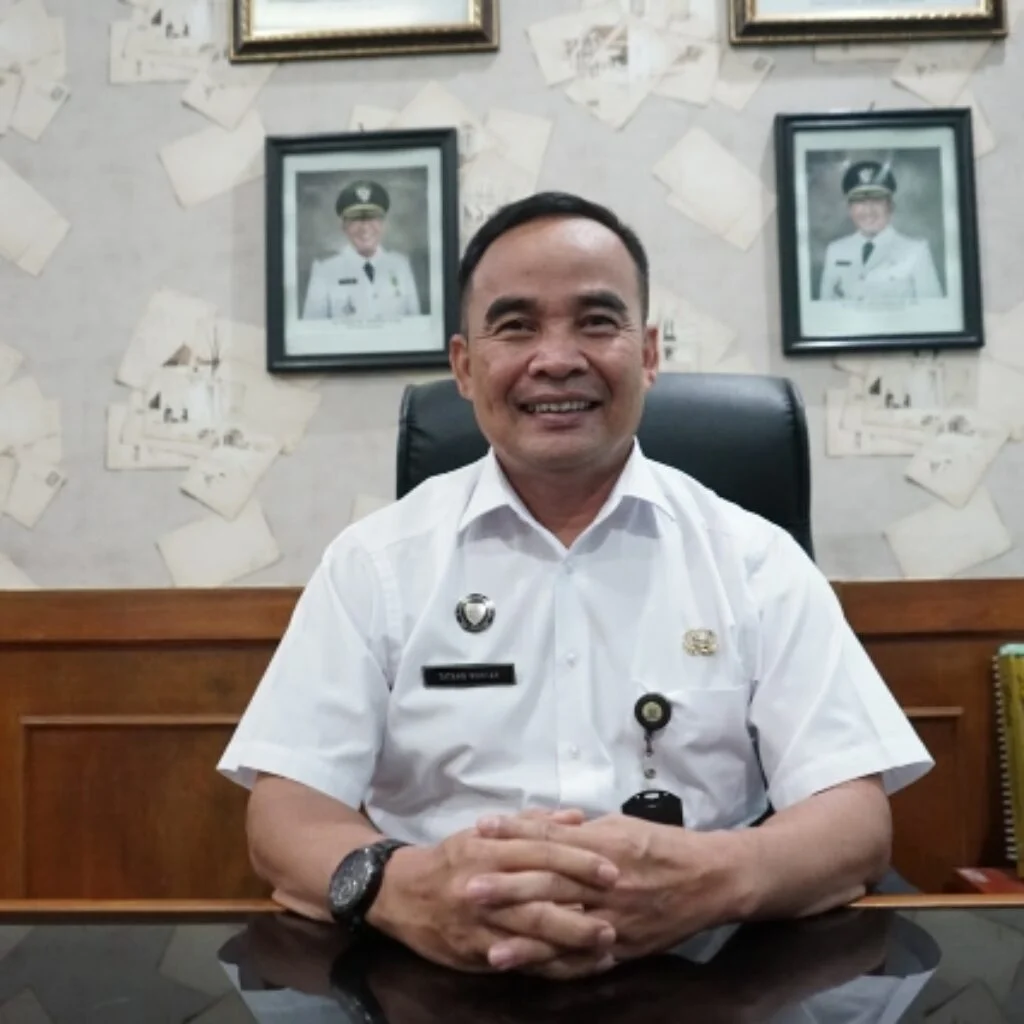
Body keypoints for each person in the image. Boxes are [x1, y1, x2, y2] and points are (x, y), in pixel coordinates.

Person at [218, 191, 933, 983]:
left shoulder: (755, 560)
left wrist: (715, 878)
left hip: (708, 975)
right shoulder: (374, 563)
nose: (556, 358)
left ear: (649, 353)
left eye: (596, 322)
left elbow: (854, 818)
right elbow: (284, 813)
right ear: (464, 366)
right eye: (516, 326)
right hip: (432, 976)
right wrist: (402, 888)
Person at [818, 161, 943, 305]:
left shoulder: (916, 251)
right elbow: (824, 309)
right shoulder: (836, 250)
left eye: (877, 201)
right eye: (860, 202)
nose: (868, 211)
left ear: (891, 207)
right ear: (849, 209)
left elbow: (933, 310)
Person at [301, 178, 421, 321]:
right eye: (356, 219)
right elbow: (312, 330)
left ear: (384, 224)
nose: (365, 227)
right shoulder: (325, 271)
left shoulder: (400, 266)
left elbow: (416, 325)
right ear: (344, 226)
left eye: (372, 217)